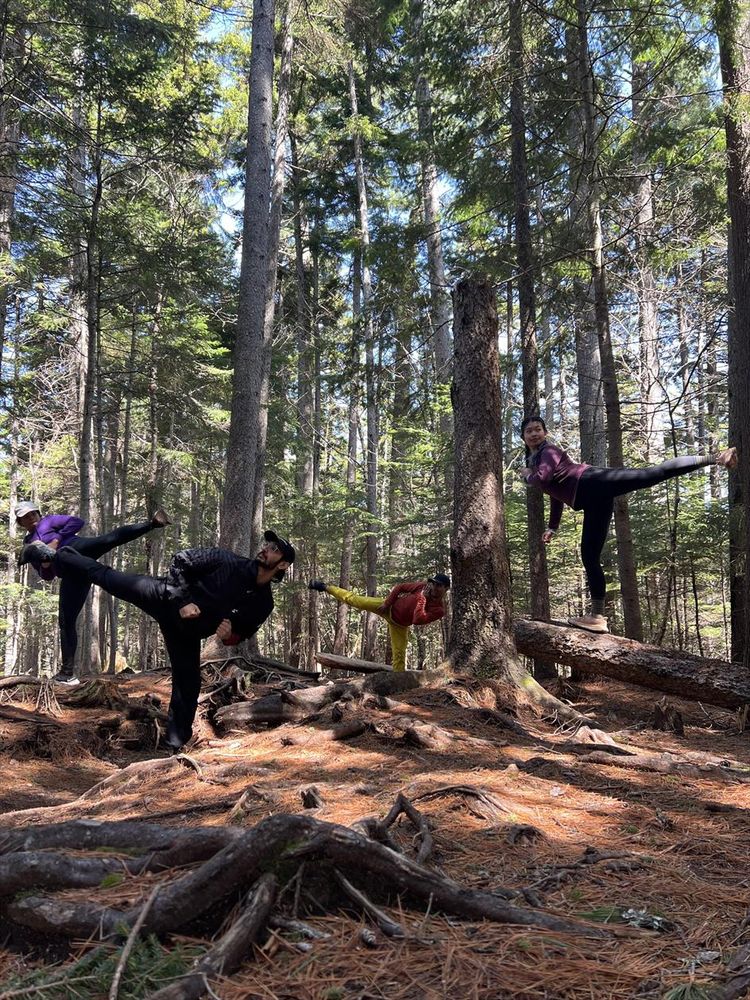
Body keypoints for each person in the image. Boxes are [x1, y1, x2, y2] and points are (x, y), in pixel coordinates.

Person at [22, 529, 295, 750]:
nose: (265, 549)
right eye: (267, 544)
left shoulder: (263, 603)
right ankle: (54, 555)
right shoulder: (228, 561)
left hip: (185, 633)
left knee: (188, 684)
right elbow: (181, 560)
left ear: (282, 564)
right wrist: (184, 600)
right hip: (162, 596)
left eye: (274, 549)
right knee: (106, 577)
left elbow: (242, 633)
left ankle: (174, 744)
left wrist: (228, 636)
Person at [519, 415, 738, 633]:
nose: (534, 433)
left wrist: (528, 477)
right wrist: (552, 527)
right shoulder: (536, 460)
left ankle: (717, 458)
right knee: (589, 555)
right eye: (529, 431)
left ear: (545, 433)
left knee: (650, 474)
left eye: (538, 429)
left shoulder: (548, 452)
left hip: (593, 482)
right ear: (523, 437)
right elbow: (554, 493)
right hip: (594, 500)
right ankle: (597, 617)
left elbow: (543, 479)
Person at [15, 501, 171, 685]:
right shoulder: (28, 544)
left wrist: (56, 541)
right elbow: (46, 575)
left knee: (108, 540)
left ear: (38, 514)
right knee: (66, 621)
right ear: (20, 522)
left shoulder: (49, 521)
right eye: (26, 517)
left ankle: (153, 523)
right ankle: (67, 674)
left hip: (76, 548)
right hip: (71, 573)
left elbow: (76, 522)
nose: (31, 518)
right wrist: (46, 564)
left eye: (33, 514)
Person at [309, 574, 450, 671]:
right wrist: (388, 603)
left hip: (400, 626)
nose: (434, 587)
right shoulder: (422, 587)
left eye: (439, 585)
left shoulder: (439, 610)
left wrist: (422, 599)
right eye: (433, 583)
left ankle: (398, 687)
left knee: (399, 656)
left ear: (446, 589)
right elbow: (400, 588)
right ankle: (325, 587)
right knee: (354, 600)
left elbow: (417, 620)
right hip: (386, 608)